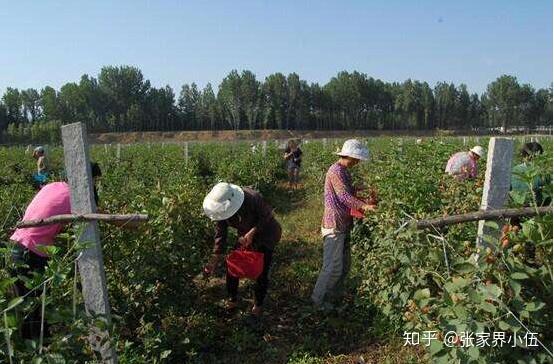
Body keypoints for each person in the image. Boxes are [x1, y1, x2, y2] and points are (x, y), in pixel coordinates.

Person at [9, 162, 102, 339]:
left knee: (26, 308)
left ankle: (30, 349)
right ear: (88, 181)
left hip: (15, 245)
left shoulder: (52, 186)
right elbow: (94, 214)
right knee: (38, 308)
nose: (96, 185)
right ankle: (40, 349)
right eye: (95, 181)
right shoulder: (79, 198)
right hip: (32, 253)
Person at [311, 139, 376, 309]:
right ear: (347, 156)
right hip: (334, 224)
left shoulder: (345, 171)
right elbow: (344, 197)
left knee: (344, 265)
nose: (357, 162)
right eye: (356, 159)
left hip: (344, 224)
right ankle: (318, 301)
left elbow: (349, 191)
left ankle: (333, 297)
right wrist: (364, 206)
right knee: (332, 266)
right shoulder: (335, 171)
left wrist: (364, 190)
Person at [203, 182, 281, 317]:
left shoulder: (252, 197)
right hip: (245, 236)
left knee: (261, 270)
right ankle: (232, 299)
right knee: (232, 266)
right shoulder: (221, 210)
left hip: (266, 233)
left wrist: (253, 232)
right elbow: (220, 232)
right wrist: (216, 255)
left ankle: (258, 305)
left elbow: (267, 216)